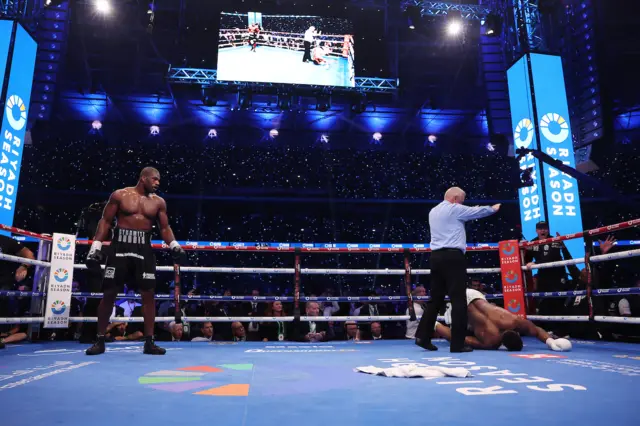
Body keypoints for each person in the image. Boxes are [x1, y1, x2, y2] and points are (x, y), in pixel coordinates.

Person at [84, 167, 185, 356]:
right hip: (119, 247)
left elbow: (164, 227)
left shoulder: (158, 202)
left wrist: (174, 245)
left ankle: (149, 342)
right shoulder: (120, 195)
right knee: (109, 294)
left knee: (148, 294)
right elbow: (105, 221)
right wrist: (96, 246)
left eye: (158, 181)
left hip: (144, 249)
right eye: (154, 179)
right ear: (143, 178)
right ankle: (99, 340)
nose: (157, 183)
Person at [415, 187, 500, 353]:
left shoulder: (433, 211)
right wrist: (493, 208)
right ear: (455, 198)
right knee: (458, 299)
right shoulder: (454, 209)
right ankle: (457, 344)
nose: (463, 203)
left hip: (436, 257)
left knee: (436, 299)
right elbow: (476, 212)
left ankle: (423, 337)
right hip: (453, 257)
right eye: (462, 199)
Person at [434, 288, 572, 352]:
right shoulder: (491, 341)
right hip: (461, 307)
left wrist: (550, 341)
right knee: (456, 337)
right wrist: (551, 342)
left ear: (516, 332)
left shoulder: (512, 320)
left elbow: (535, 330)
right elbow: (459, 339)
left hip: (472, 294)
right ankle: (435, 325)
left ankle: (434, 323)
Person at [0, 235, 35, 350]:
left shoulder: (4, 240)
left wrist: (24, 266)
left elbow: (29, 254)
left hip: (3, 284)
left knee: (5, 296)